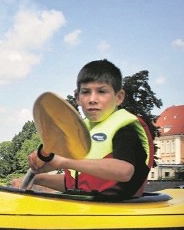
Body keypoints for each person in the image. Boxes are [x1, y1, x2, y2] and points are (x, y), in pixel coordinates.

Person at [14, 59, 153, 199]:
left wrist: (64, 162)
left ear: (119, 97)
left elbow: (124, 171)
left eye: (102, 91)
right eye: (86, 92)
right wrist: (37, 178)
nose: (93, 99)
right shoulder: (81, 131)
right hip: (87, 208)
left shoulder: (125, 129)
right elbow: (75, 185)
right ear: (77, 98)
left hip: (117, 213)